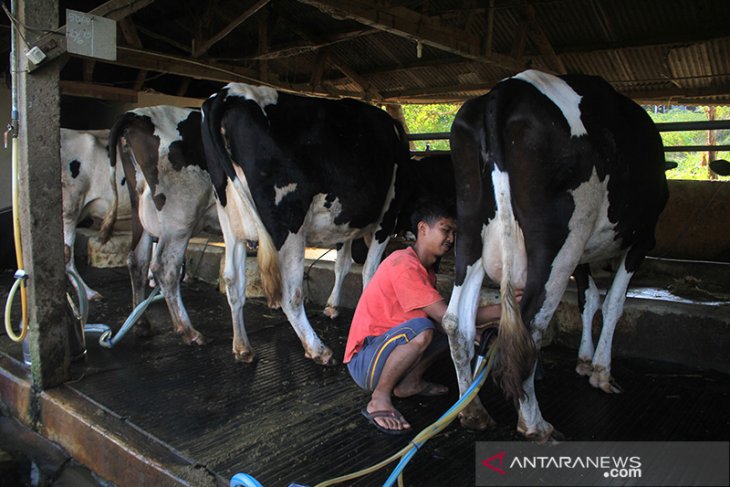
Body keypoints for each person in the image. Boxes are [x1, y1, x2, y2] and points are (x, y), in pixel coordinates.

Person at [344, 201, 505, 435]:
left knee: (440, 330)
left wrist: (489, 323)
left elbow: (447, 320)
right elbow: (447, 316)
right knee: (424, 329)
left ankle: (409, 383)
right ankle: (379, 398)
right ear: (423, 229)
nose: (450, 238)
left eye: (454, 233)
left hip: (384, 352)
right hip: (365, 361)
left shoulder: (426, 272)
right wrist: (495, 314)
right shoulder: (404, 264)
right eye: (445, 230)